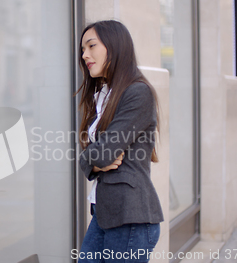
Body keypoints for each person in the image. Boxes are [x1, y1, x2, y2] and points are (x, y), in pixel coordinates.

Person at [76, 20, 164, 263]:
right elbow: (91, 154)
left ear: (114, 47)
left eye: (91, 46)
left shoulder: (137, 92)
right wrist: (92, 163)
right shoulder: (104, 95)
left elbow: (104, 153)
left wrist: (94, 159)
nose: (85, 55)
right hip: (106, 214)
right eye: (83, 49)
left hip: (130, 219)